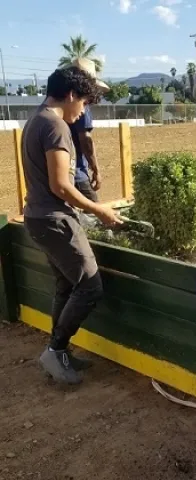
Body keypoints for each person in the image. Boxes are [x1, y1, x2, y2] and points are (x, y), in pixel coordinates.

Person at [21, 66, 122, 385]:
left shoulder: (36, 119)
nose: (84, 111)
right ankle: (55, 349)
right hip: (56, 220)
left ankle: (59, 352)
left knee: (66, 285)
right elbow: (61, 186)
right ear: (70, 95)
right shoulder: (56, 126)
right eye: (85, 102)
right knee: (90, 286)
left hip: (38, 217)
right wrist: (99, 209)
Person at [69, 58, 110, 202]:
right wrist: (96, 171)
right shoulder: (81, 106)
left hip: (62, 175)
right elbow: (85, 139)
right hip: (76, 173)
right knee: (96, 216)